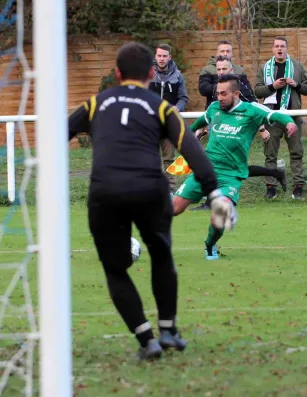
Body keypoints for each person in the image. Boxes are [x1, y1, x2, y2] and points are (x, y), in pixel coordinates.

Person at [67, 42, 236, 360]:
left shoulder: (95, 104)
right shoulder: (161, 107)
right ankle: (169, 330)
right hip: (150, 189)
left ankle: (147, 339)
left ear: (116, 73)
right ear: (149, 73)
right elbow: (191, 148)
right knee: (161, 256)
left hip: (106, 192)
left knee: (115, 269)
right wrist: (214, 193)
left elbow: (60, 133)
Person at [173, 74, 297, 260]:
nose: (220, 98)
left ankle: (210, 245)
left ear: (236, 93)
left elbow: (275, 114)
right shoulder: (214, 108)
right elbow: (197, 125)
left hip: (230, 176)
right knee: (174, 208)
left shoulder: (251, 110)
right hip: (205, 170)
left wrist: (289, 122)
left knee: (219, 216)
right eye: (218, 94)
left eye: (224, 94)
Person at [255, 36, 307, 200]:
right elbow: (257, 92)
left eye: (282, 46)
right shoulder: (264, 67)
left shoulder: (297, 66)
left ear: (287, 49)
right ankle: (271, 187)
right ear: (273, 49)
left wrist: (297, 85)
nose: (279, 49)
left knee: (296, 153)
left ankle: (298, 186)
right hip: (272, 118)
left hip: (292, 117)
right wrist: (272, 87)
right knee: (270, 154)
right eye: (276, 46)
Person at [148, 43, 189, 194]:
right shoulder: (148, 74)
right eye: (159, 55)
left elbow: (183, 98)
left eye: (165, 56)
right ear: (155, 56)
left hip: (168, 124)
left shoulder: (177, 75)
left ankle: (170, 191)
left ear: (169, 57)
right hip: (150, 123)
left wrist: (178, 107)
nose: (162, 58)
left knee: (169, 159)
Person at [198, 40, 250, 109]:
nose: (225, 54)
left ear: (232, 54)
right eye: (222, 51)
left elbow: (249, 92)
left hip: (238, 109)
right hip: (214, 109)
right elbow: (203, 90)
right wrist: (225, 87)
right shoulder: (207, 70)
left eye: (228, 51)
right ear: (217, 53)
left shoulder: (240, 70)